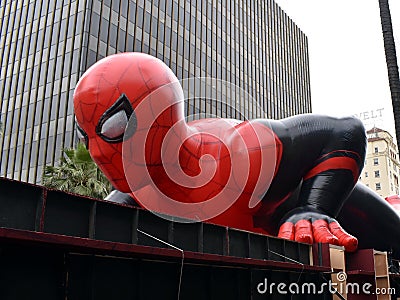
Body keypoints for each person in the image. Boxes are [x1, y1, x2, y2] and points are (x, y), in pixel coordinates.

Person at [74, 52, 400, 255]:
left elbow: (344, 129)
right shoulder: (130, 200)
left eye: (114, 130)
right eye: (85, 136)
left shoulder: (242, 152)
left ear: (161, 115)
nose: (98, 153)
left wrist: (313, 207)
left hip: (302, 205)